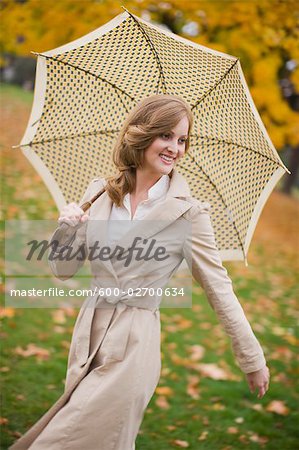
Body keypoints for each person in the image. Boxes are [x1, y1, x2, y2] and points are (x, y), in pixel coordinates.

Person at [10, 94, 270, 450]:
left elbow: (219, 288)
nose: (176, 148)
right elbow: (63, 269)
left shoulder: (189, 214)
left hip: (135, 345)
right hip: (89, 336)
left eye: (182, 140)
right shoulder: (100, 192)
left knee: (61, 440)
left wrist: (252, 358)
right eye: (167, 136)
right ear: (142, 135)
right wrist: (68, 229)